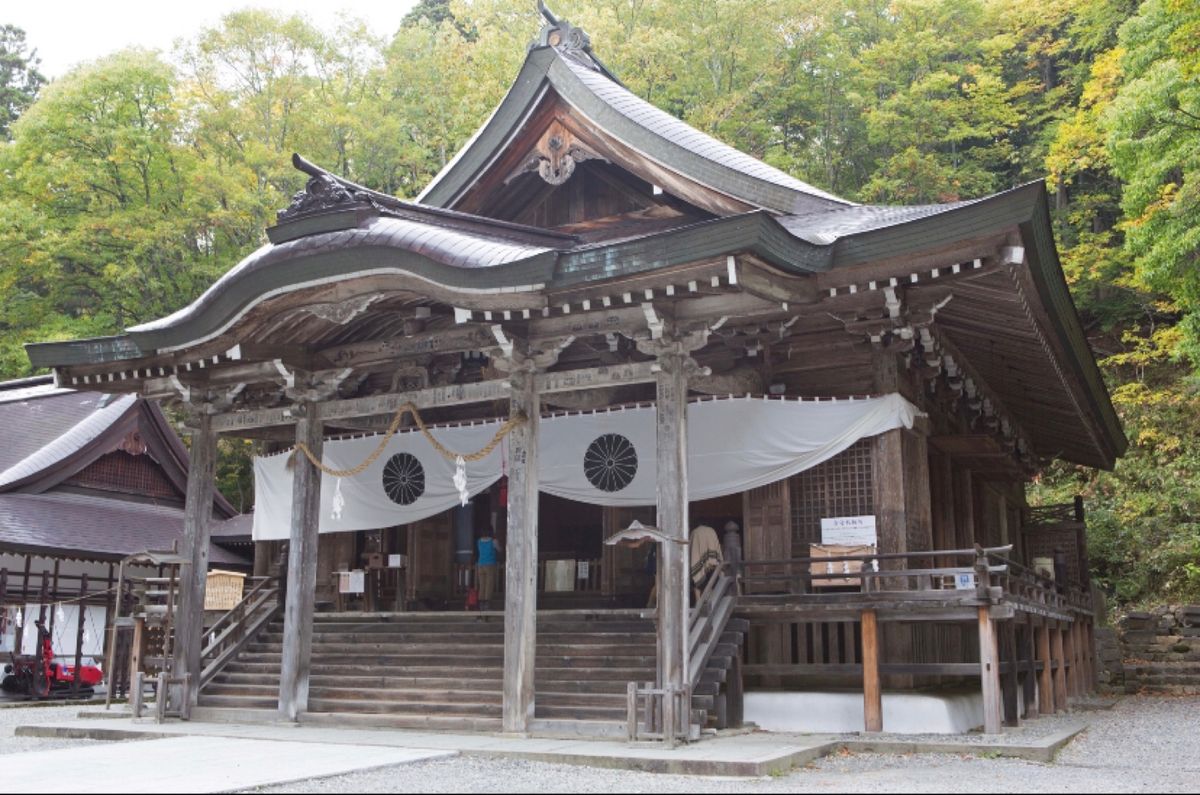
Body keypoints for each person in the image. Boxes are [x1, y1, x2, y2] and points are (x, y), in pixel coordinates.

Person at [476, 526, 502, 609]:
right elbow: (499, 549)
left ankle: (480, 604)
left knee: (482, 584)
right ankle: (487, 604)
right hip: (490, 564)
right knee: (489, 584)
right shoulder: (493, 541)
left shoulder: (479, 541)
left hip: (480, 564)